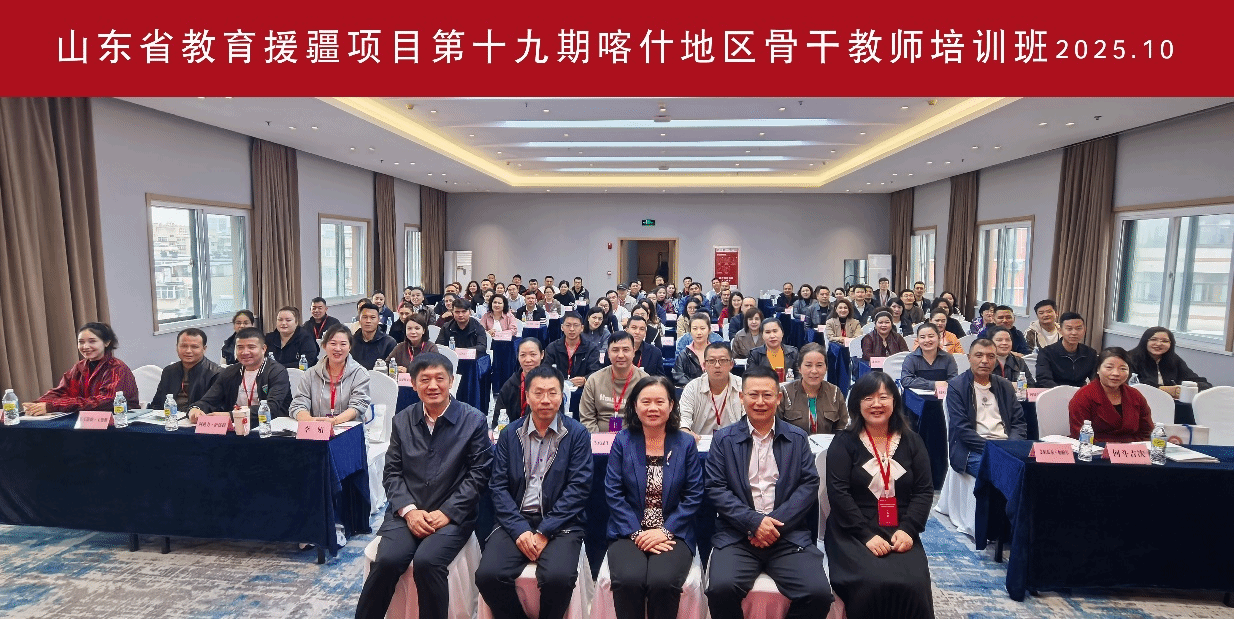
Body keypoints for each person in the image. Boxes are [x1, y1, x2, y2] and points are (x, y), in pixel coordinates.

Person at [354, 353, 493, 619]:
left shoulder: (473, 421)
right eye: (425, 380)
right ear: (414, 384)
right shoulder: (403, 419)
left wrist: (448, 512)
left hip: (452, 515)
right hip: (407, 513)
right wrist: (409, 511)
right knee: (387, 560)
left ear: (451, 381)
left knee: (428, 562)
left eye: (440, 378)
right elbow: (392, 472)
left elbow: (479, 475)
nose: (433, 386)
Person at [705, 364, 835, 619]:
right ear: (741, 397)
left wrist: (773, 525)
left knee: (818, 594)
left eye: (767, 395)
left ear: (778, 398)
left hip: (787, 535)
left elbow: (809, 485)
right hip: (737, 535)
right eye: (753, 395)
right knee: (721, 589)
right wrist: (753, 523)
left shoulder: (797, 437)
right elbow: (716, 488)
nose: (760, 402)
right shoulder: (724, 439)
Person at [477, 366, 593, 619]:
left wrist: (544, 531)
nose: (545, 400)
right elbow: (498, 487)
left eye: (552, 393)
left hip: (561, 523)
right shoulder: (510, 434)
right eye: (538, 393)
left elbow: (578, 489)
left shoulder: (577, 434)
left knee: (558, 578)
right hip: (515, 521)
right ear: (527, 395)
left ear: (562, 396)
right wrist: (520, 530)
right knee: (488, 576)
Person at [825, 372, 935, 619]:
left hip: (900, 525)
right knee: (873, 581)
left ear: (895, 401)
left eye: (883, 397)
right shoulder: (844, 442)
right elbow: (838, 493)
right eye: (868, 398)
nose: (876, 404)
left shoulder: (912, 441)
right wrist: (865, 535)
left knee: (914, 584)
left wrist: (909, 529)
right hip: (852, 528)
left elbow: (924, 490)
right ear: (857, 404)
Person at [605, 375, 703, 619]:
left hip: (673, 531)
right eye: (645, 401)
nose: (652, 408)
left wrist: (666, 530)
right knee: (629, 580)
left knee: (662, 581)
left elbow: (693, 495)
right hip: (628, 530)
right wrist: (637, 533)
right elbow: (614, 493)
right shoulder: (623, 440)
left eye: (660, 402)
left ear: (671, 405)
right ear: (634, 405)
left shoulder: (685, 443)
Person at [947, 339, 1029, 476]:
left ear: (996, 359)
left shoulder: (1005, 385)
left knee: (1035, 469)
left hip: (1006, 446)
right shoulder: (957, 386)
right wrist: (996, 449)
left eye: (991, 356)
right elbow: (963, 430)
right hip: (972, 450)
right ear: (969, 358)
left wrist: (1010, 447)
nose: (985, 361)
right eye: (979, 355)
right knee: (1005, 471)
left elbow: (1019, 423)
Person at [25, 322, 140, 415]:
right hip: (86, 420)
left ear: (107, 343)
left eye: (92, 341)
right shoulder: (79, 367)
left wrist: (53, 406)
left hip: (119, 422)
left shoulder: (116, 368)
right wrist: (38, 404)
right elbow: (61, 391)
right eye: (81, 342)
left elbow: (105, 401)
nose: (85, 347)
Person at [186, 327, 292, 424]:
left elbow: (271, 408)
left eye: (251, 347)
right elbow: (209, 400)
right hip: (236, 426)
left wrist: (231, 415)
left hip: (271, 425)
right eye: (240, 348)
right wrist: (195, 409)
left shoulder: (277, 372)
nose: (245, 352)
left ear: (263, 349)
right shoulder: (230, 371)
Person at [289, 324, 369, 425]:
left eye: (343, 344)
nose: (338, 348)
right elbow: (298, 405)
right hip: (317, 430)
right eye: (333, 343)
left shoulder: (360, 374)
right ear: (324, 346)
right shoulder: (310, 374)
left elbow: (358, 406)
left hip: (349, 431)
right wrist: (311, 421)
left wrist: (334, 421)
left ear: (350, 347)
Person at [1068, 347, 1153, 442]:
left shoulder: (1135, 395)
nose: (1116, 373)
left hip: (1132, 448)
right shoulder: (1083, 396)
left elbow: (1147, 432)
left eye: (1123, 368)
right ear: (1098, 369)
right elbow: (1079, 434)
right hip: (1095, 448)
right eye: (1109, 367)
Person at [580, 332, 648, 433]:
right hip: (599, 438)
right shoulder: (594, 380)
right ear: (608, 353)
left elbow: (647, 418)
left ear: (634, 352)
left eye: (626, 350)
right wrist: (597, 439)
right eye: (615, 350)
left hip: (633, 437)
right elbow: (587, 418)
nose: (620, 355)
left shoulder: (644, 381)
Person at [777, 342, 846, 434]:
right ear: (799, 368)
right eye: (808, 365)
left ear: (826, 368)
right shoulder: (785, 393)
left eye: (819, 365)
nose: (814, 371)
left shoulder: (834, 392)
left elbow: (843, 428)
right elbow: (776, 428)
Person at [679, 342, 744, 437]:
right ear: (704, 365)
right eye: (712, 361)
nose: (717, 365)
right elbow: (683, 418)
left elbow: (749, 419)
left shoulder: (742, 386)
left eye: (723, 360)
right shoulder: (693, 387)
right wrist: (685, 431)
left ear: (731, 364)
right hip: (700, 441)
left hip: (735, 441)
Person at [150, 328, 222, 411]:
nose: (188, 351)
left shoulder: (216, 374)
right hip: (169, 417)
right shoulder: (169, 371)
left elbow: (215, 407)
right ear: (177, 347)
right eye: (184, 346)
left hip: (196, 417)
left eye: (194, 347)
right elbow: (157, 405)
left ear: (204, 349)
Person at [1128, 326, 1212, 397]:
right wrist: (1167, 390)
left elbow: (1201, 382)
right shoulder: (1130, 358)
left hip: (1171, 402)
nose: (1159, 344)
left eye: (1165, 341)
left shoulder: (1174, 360)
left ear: (1171, 344)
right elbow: (1133, 386)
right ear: (1145, 342)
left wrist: (1185, 388)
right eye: (1153, 339)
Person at [1035, 312, 1098, 388]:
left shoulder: (1090, 353)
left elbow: (1095, 379)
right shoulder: (1046, 352)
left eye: (1078, 328)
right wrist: (1063, 392)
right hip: (1053, 392)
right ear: (1060, 330)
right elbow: (1044, 380)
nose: (1074, 333)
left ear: (1084, 330)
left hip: (1079, 392)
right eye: (1069, 329)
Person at [495, 338, 546, 425]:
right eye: (523, 355)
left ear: (542, 354)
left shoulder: (550, 383)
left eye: (533, 354)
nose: (528, 360)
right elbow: (497, 419)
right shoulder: (510, 385)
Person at [544, 311, 597, 393]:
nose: (572, 329)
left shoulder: (591, 348)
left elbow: (596, 371)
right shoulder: (552, 347)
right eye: (568, 325)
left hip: (583, 391)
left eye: (576, 325)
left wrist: (585, 379)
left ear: (582, 328)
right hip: (557, 390)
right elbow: (545, 370)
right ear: (562, 327)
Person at [901, 323, 958, 392]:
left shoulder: (948, 358)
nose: (927, 340)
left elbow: (954, 381)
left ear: (939, 338)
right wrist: (933, 384)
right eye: (922, 337)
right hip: (916, 397)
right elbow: (906, 380)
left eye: (931, 336)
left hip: (943, 396)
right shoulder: (911, 358)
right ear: (917, 340)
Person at [746, 318, 800, 383]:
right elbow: (751, 378)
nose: (772, 336)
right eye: (767, 332)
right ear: (762, 335)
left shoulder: (793, 352)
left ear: (782, 333)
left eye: (775, 331)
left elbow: (799, 376)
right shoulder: (755, 354)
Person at [352, 302, 399, 370]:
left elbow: (392, 369)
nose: (368, 321)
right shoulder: (352, 341)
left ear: (378, 320)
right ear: (359, 320)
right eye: (365, 317)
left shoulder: (389, 343)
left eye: (372, 317)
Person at [671, 312, 714, 387]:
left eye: (702, 328)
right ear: (690, 331)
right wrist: (698, 385)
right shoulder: (683, 355)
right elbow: (678, 377)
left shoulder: (716, 353)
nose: (699, 332)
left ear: (709, 330)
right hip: (691, 391)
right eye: (695, 329)